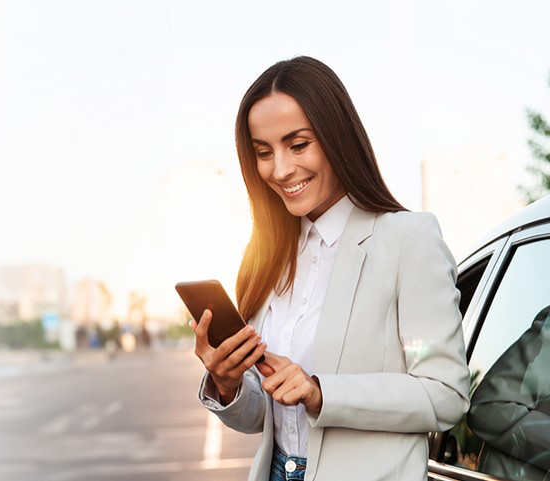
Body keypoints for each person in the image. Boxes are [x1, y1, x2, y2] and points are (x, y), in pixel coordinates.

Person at [191, 56, 471, 481]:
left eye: (298, 145)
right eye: (263, 152)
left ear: (337, 137)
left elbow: (444, 393)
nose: (281, 170)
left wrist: (321, 392)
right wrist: (227, 384)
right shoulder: (268, 258)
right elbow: (263, 419)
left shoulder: (407, 241)